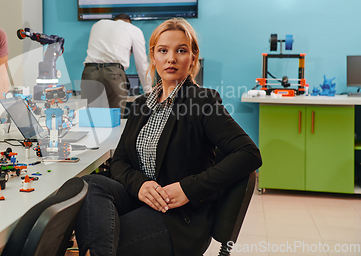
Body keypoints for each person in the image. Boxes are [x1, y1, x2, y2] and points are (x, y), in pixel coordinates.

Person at [74, 18, 262, 256]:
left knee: (105, 239)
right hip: (141, 200)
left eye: (181, 50)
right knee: (89, 185)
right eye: (163, 50)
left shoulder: (202, 101)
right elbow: (120, 161)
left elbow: (248, 154)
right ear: (153, 56)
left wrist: (187, 189)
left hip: (179, 217)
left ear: (192, 57)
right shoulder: (142, 104)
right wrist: (140, 185)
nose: (171, 58)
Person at [81, 14, 150, 113]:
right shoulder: (134, 29)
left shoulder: (97, 24)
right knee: (114, 118)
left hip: (89, 72)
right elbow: (141, 63)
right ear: (129, 22)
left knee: (91, 118)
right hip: (113, 73)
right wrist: (148, 90)